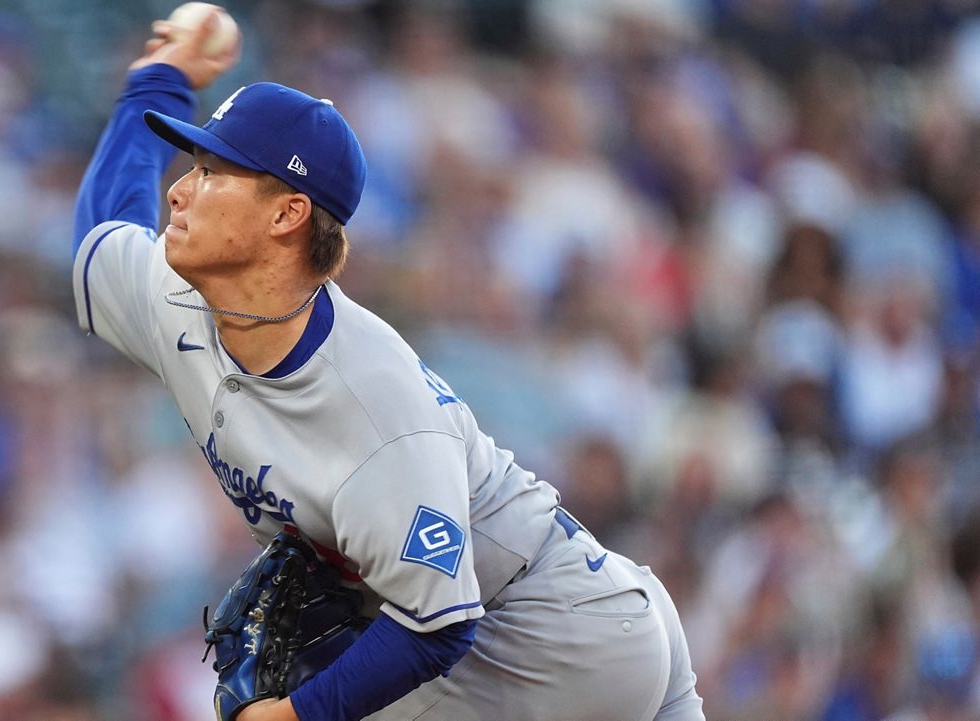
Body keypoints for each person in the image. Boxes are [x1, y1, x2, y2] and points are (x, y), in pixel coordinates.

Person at [71, 11, 704, 721]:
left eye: (212, 173)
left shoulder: (370, 403)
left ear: (287, 215)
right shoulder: (179, 299)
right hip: (550, 618)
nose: (180, 190)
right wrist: (157, 83)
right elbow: (102, 240)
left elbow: (439, 626)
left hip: (547, 638)